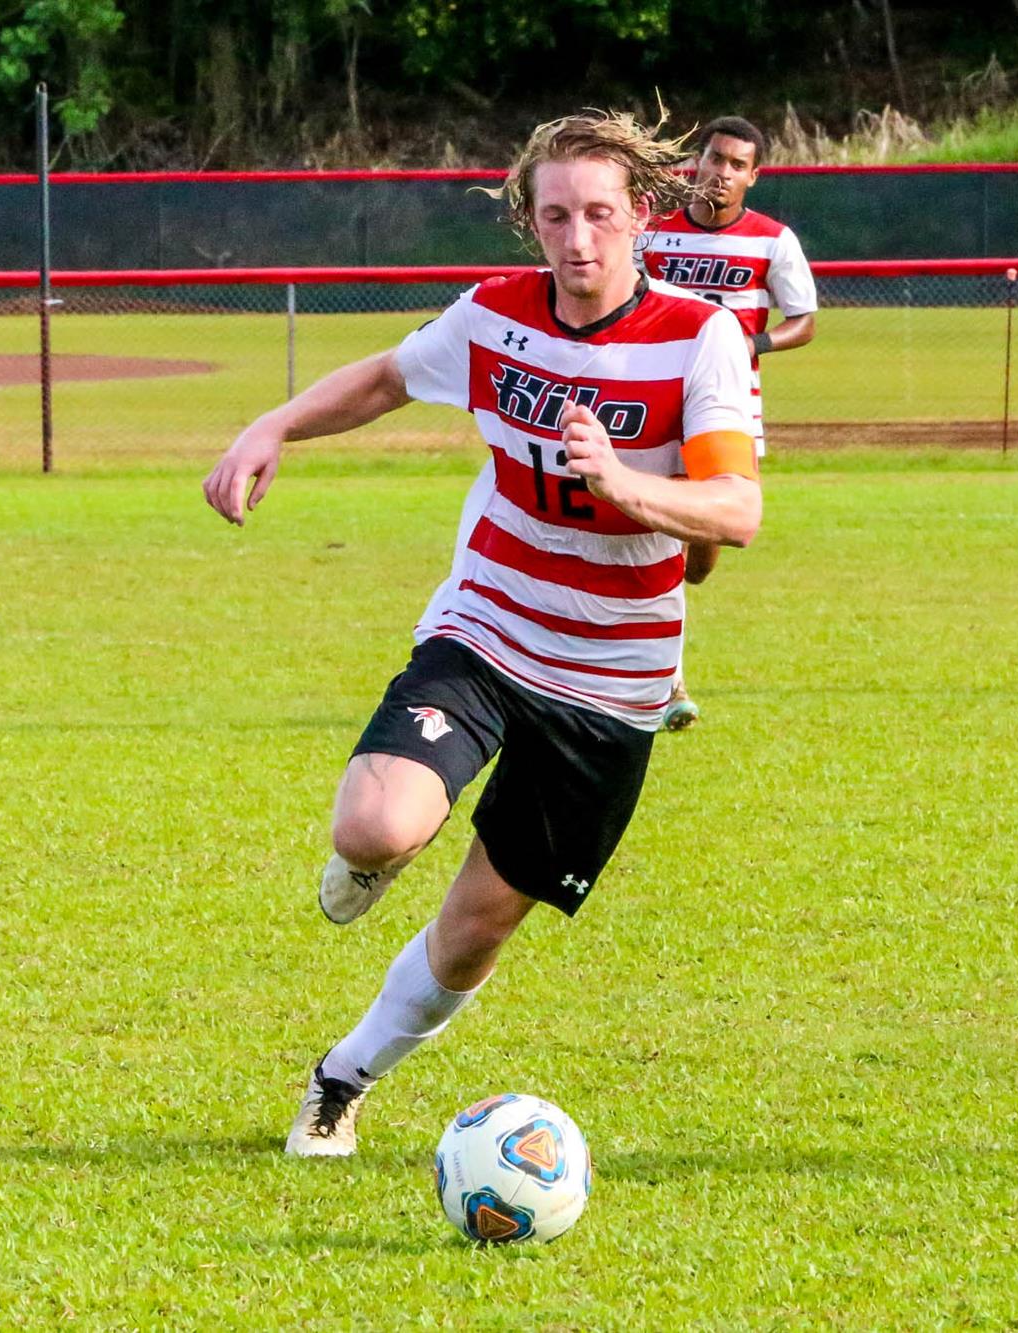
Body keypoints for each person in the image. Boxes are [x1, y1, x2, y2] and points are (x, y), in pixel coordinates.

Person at [201, 110, 762, 1158]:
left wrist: (627, 484)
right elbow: (380, 378)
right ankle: (377, 854)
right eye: (556, 216)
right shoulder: (492, 318)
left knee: (474, 930)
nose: (579, 237)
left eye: (599, 213)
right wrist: (269, 425)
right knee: (373, 826)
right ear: (530, 224)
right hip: (487, 628)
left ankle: (340, 1077)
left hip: (612, 680)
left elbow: (735, 510)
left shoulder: (699, 334)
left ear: (640, 215)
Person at [640, 114, 818, 729]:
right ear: (698, 162)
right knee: (658, 540)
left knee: (699, 556)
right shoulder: (654, 234)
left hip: (729, 410)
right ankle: (669, 684)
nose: (721, 172)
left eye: (736, 164)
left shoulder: (772, 240)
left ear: (753, 176)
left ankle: (667, 623)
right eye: (714, 158)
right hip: (657, 405)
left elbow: (805, 320)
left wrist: (753, 344)